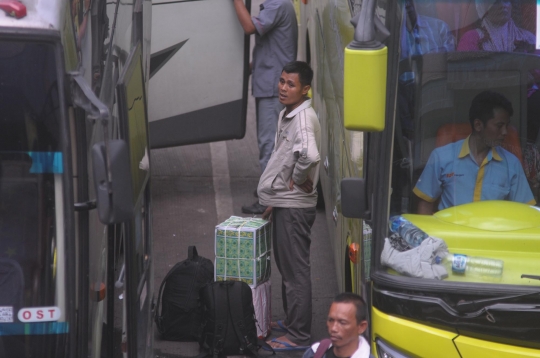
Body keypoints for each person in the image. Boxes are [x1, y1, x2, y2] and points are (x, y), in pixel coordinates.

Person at [257, 61, 320, 351]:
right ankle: (291, 323)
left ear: (305, 89)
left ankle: (297, 336)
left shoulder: (303, 120)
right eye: (282, 81)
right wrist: (275, 198)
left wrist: (296, 178)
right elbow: (285, 156)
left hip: (295, 207)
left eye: (290, 84)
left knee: (295, 273)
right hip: (285, 202)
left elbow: (308, 155)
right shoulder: (289, 113)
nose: (283, 87)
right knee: (288, 269)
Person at [413, 90, 536, 215]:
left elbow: (525, 212)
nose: (505, 132)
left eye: (506, 126)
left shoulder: (512, 164)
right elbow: (425, 204)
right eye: (499, 126)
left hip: (492, 233)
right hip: (451, 232)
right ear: (478, 125)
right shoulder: (441, 157)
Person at [231, 0, 298, 215]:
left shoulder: (277, 5)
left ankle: (268, 198)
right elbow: (271, 48)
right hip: (268, 83)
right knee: (270, 142)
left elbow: (249, 28)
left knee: (269, 144)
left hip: (272, 88)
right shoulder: (276, 5)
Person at [302, 293, 370, 358]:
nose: (333, 328)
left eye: (342, 322)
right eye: (331, 320)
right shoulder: (313, 353)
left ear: (361, 327)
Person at [457, 0, 536, 52]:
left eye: (506, 0)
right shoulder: (471, 38)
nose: (503, 6)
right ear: (484, 8)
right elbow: (466, 74)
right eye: (495, 2)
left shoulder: (528, 38)